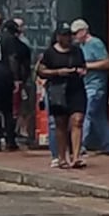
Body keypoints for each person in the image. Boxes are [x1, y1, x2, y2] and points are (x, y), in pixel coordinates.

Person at [38, 18, 92, 169]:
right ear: (58, 36)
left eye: (69, 35)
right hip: (57, 90)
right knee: (60, 124)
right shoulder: (50, 53)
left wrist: (81, 71)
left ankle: (76, 156)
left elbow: (83, 67)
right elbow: (41, 70)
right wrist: (58, 72)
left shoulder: (77, 51)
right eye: (64, 35)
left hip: (76, 89)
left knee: (77, 120)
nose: (68, 38)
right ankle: (62, 157)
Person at [0, 18, 33, 151]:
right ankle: (10, 140)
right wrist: (20, 80)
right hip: (13, 81)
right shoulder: (22, 46)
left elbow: (13, 60)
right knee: (10, 111)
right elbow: (26, 66)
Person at [79, 21, 109, 161]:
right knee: (98, 116)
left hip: (96, 85)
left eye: (76, 33)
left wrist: (87, 66)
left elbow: (106, 62)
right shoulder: (80, 45)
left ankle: (80, 144)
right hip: (85, 83)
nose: (74, 36)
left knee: (87, 113)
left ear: (84, 31)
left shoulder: (95, 43)